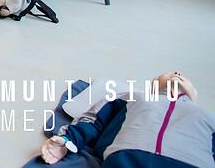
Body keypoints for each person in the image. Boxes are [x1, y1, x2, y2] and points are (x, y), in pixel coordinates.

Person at [33, 71, 213, 167]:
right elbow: (94, 119)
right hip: (127, 158)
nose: (177, 73)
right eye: (165, 74)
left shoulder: (207, 117)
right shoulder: (133, 97)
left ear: (194, 95)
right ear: (153, 87)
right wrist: (68, 140)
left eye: (183, 76)